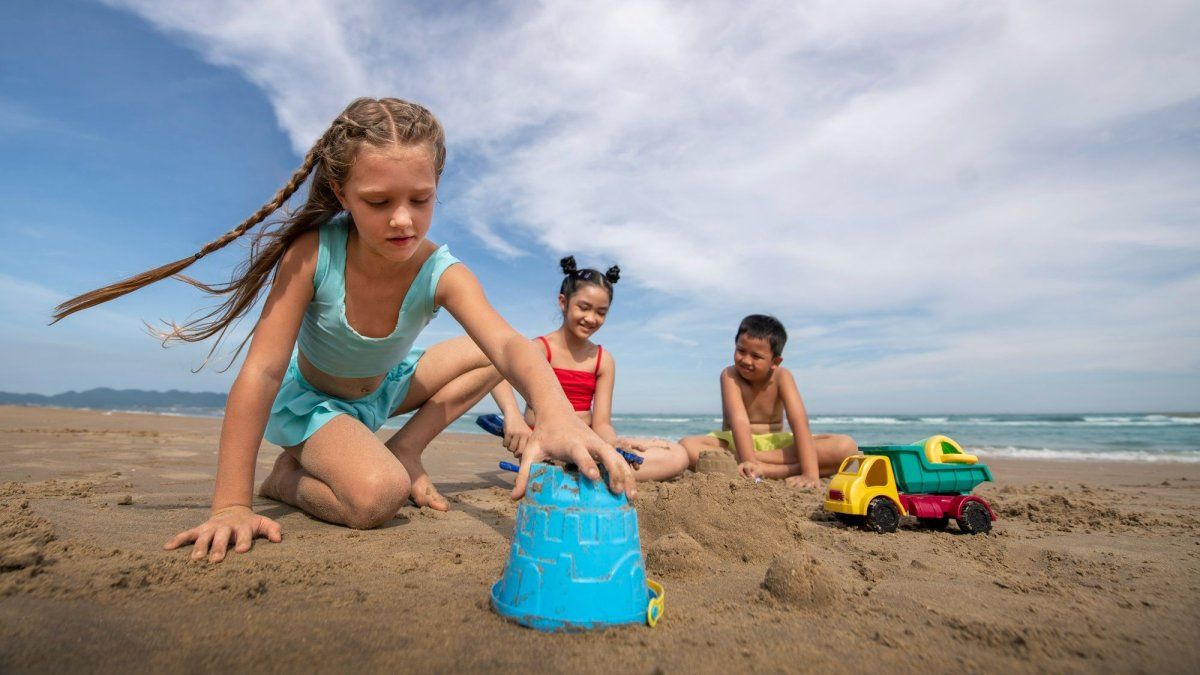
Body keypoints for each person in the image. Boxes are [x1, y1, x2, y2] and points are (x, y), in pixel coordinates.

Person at [51, 97, 635, 563]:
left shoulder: (442, 271)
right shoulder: (313, 254)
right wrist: (230, 501)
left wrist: (554, 415)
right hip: (316, 406)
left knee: (499, 353)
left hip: (384, 391)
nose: (402, 219)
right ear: (341, 195)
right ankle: (286, 479)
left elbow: (508, 345)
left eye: (420, 199)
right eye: (378, 201)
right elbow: (262, 370)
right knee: (378, 496)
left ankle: (406, 449)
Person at [489, 257, 690, 481]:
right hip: (546, 443)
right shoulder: (540, 349)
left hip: (587, 441)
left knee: (679, 455)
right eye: (584, 308)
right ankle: (582, 473)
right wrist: (513, 416)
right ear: (563, 302)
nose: (591, 318)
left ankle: (585, 471)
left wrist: (613, 444)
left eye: (601, 312)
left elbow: (602, 423)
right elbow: (495, 371)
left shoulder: (603, 360)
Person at [679, 314, 856, 488]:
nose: (746, 360)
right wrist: (749, 461)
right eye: (741, 351)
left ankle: (767, 469)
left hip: (776, 445)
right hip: (736, 442)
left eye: (756, 356)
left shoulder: (782, 376)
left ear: (775, 361)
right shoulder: (729, 375)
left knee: (846, 447)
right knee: (687, 446)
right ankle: (777, 468)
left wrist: (810, 473)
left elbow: (799, 421)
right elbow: (739, 420)